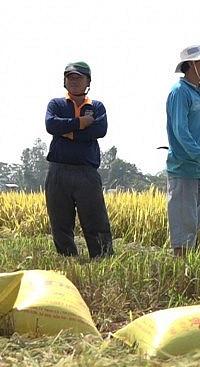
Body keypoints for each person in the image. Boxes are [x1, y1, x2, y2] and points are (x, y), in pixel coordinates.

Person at [44, 61, 114, 258]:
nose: (74, 81)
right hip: (58, 170)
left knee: (96, 220)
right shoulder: (56, 104)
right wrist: (81, 123)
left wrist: (68, 132)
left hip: (86, 172)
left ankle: (102, 259)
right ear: (64, 82)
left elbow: (100, 130)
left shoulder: (97, 106)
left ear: (88, 81)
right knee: (60, 221)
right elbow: (51, 125)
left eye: (78, 78)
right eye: (70, 78)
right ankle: (68, 260)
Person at [165, 44, 200, 257]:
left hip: (198, 169)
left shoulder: (196, 93)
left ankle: (187, 274)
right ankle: (179, 274)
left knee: (193, 224)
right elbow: (181, 130)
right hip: (184, 168)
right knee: (183, 226)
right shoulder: (179, 93)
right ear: (191, 65)